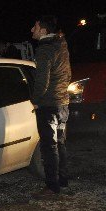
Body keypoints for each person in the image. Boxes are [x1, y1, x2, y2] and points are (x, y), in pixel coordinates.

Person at [30, 16, 72, 199]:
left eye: (35, 27)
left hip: (49, 105)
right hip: (62, 103)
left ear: (44, 31)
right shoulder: (61, 45)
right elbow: (65, 74)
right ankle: (62, 179)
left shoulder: (45, 49)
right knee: (60, 142)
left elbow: (42, 82)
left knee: (49, 147)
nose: (32, 29)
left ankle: (52, 186)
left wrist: (35, 99)